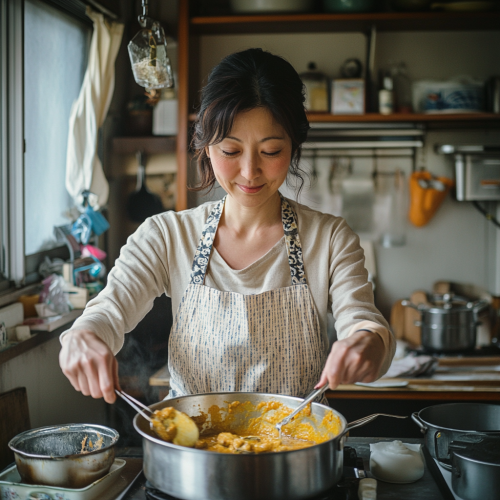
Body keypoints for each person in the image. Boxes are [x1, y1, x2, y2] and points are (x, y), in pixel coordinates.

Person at [59, 48, 395, 405]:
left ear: (294, 146)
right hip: (193, 452)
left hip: (298, 449)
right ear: (205, 146)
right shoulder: (166, 237)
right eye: (231, 151)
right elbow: (108, 312)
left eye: (270, 151)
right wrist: (83, 335)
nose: (250, 172)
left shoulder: (329, 239)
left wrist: (367, 342)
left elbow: (364, 322)